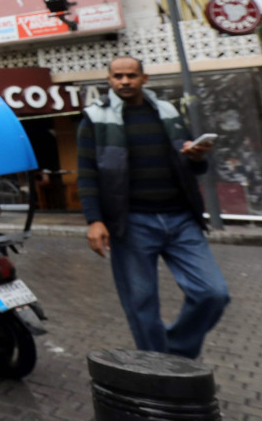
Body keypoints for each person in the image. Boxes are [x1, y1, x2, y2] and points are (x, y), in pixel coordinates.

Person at [77, 56, 230, 358]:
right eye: (117, 76)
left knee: (213, 293)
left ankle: (176, 350)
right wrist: (94, 220)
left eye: (131, 76)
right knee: (141, 303)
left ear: (144, 79)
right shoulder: (94, 118)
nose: (124, 82)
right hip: (132, 224)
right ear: (109, 80)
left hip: (181, 219)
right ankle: (158, 367)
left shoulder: (168, 112)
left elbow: (189, 166)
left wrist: (196, 157)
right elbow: (87, 173)